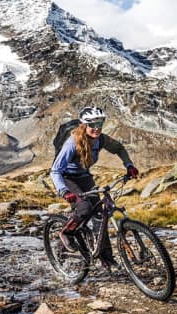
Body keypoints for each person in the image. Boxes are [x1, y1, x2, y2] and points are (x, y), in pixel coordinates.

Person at [50, 106, 139, 266]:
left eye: (100, 123)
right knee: (84, 209)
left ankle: (107, 258)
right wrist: (64, 191)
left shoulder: (101, 139)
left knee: (100, 215)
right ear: (84, 125)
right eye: (92, 124)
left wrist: (129, 165)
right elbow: (55, 170)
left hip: (85, 177)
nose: (97, 127)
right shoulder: (72, 143)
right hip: (67, 178)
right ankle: (66, 233)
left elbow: (119, 148)